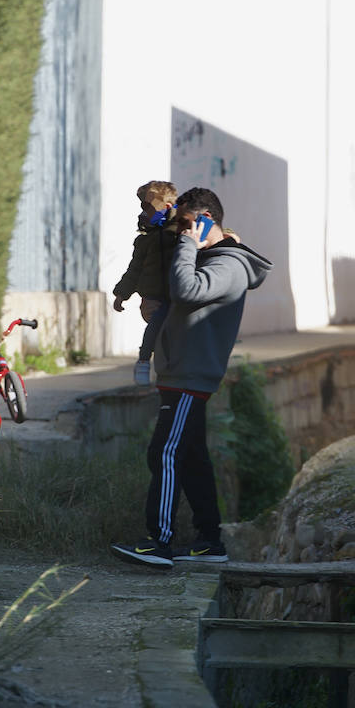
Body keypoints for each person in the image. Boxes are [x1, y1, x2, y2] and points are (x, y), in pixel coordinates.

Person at [109, 187, 272, 568]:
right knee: (194, 459)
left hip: (189, 377)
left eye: (186, 223)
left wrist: (186, 244)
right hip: (179, 373)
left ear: (205, 221)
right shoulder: (211, 256)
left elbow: (187, 288)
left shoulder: (229, 265)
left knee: (164, 453)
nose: (180, 231)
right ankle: (209, 542)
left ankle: (159, 543)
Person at [112, 180, 179, 385]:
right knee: (157, 325)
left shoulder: (180, 233)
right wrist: (122, 293)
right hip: (153, 297)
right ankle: (144, 360)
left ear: (167, 208)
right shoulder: (145, 238)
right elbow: (135, 269)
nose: (144, 214)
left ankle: (161, 367)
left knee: (170, 337)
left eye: (148, 209)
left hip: (175, 296)